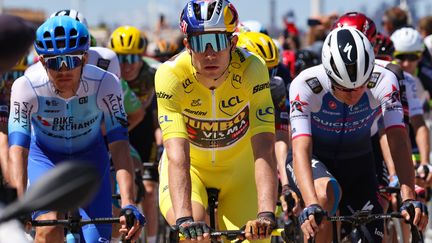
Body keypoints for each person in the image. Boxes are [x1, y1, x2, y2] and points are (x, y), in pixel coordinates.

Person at [8, 16, 145, 242]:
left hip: (90, 159)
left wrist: (128, 203)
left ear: (85, 58)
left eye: (71, 60)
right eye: (54, 62)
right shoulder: (26, 86)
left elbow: (119, 145)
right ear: (41, 61)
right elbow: (18, 149)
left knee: (96, 239)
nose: (63, 70)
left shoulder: (106, 83)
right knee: (48, 229)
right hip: (45, 159)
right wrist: (19, 202)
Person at [288, 27, 428, 242]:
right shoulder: (305, 85)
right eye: (344, 88)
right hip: (315, 157)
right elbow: (301, 149)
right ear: (329, 74)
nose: (353, 94)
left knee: (372, 236)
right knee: (323, 199)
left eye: (361, 86)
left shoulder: (385, 79)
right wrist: (312, 204)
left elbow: (398, 139)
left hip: (358, 159)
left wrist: (408, 198)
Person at [156, 0, 278, 241]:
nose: (210, 53)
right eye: (200, 42)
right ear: (187, 45)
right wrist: (184, 219)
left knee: (256, 236)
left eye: (219, 41)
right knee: (193, 233)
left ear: (233, 43)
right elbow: (177, 154)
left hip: (240, 173)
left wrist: (266, 213)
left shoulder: (253, 69)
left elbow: (264, 146)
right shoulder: (170, 75)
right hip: (192, 170)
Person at [108, 25, 160, 243]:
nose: (127, 64)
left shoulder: (154, 75)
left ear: (142, 57)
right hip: (116, 134)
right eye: (122, 57)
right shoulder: (109, 75)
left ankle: (153, 239)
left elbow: (158, 117)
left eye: (132, 58)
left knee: (148, 191)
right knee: (112, 192)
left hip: (143, 133)